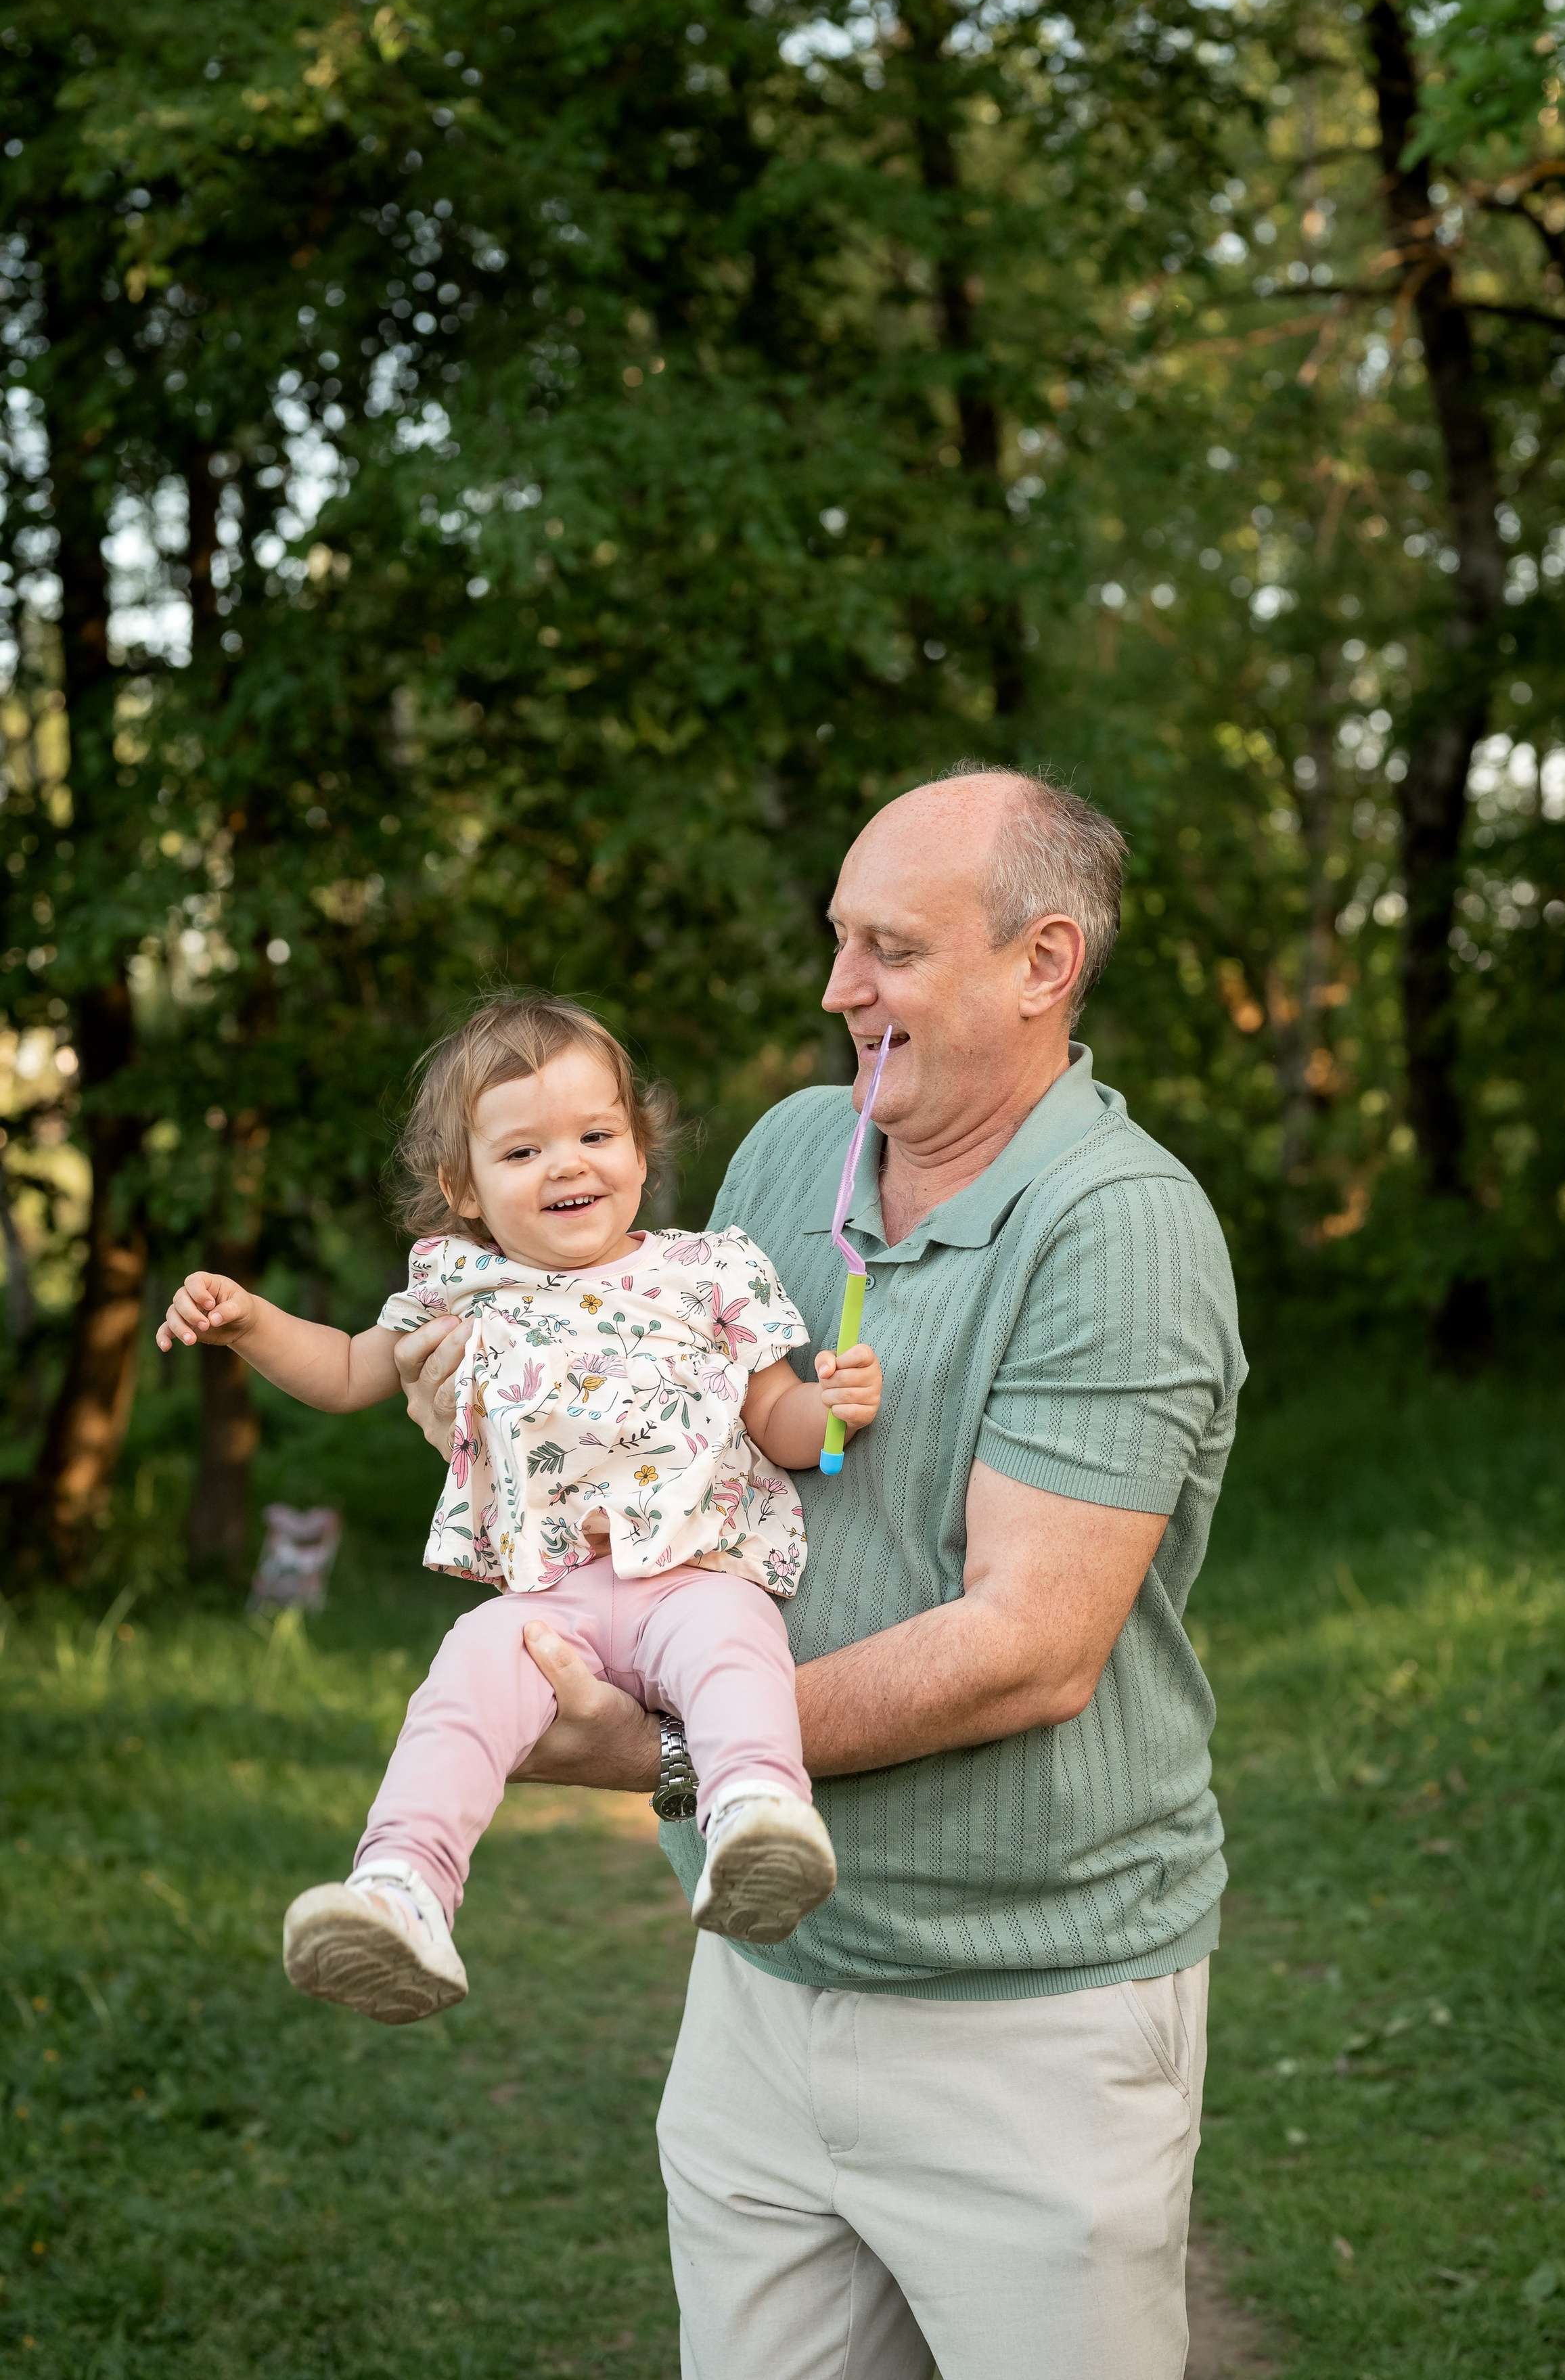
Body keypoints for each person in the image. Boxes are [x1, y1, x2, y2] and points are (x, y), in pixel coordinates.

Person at [393, 767, 1246, 2379]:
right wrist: (472, 1391)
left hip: (1022, 2018)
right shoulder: (794, 1151)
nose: (837, 987)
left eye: (890, 949)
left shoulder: (1118, 1229)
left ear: (1042, 964)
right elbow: (663, 1413)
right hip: (761, 1971)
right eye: (837, 940)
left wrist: (670, 1751)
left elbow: (1027, 1647)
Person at [157, 994, 882, 2025]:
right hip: (551, 1601)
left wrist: (835, 1408)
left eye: (596, 1134)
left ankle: (757, 1819)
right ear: (462, 1186)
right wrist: (251, 1323)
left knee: (736, 1655)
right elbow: (350, 1369)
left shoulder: (709, 1269)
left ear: (638, 1147)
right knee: (460, 1684)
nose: (569, 1166)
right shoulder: (460, 1284)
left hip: (695, 1574)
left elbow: (776, 1420)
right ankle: (401, 1891)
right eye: (524, 1150)